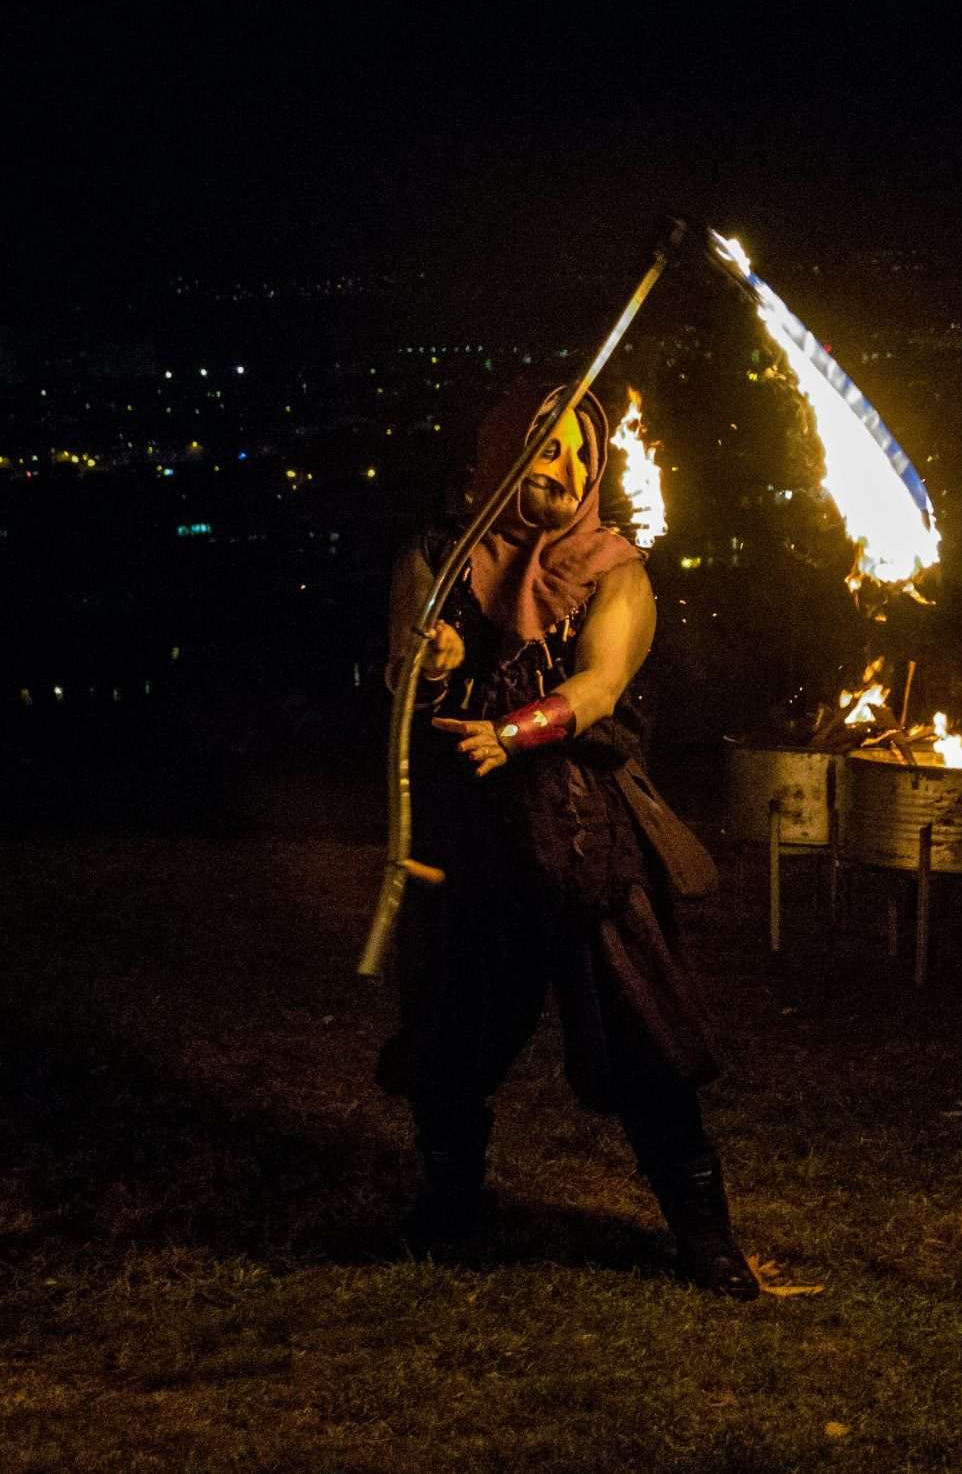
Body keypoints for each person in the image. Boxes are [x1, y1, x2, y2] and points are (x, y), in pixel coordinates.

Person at [376, 382, 755, 1298]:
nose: (567, 466)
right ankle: (449, 1200)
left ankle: (705, 1236)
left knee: (643, 1034)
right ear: (503, 446)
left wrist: (512, 729)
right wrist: (432, 663)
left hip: (580, 835)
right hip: (466, 838)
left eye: (585, 453)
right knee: (449, 1030)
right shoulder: (437, 552)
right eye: (548, 445)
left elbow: (600, 684)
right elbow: (402, 672)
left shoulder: (616, 570)